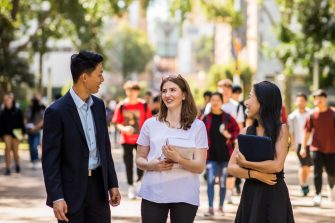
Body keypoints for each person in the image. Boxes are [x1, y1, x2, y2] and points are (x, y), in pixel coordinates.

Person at [42, 51, 121, 223]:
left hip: (98, 190)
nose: (102, 79)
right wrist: (56, 197)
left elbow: (104, 148)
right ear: (84, 77)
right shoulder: (56, 112)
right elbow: (50, 161)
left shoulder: (99, 106)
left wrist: (112, 184)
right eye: (99, 74)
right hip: (70, 193)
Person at [135, 74, 208, 223]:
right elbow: (139, 159)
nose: (167, 95)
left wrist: (178, 159)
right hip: (153, 193)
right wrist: (151, 165)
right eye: (164, 91)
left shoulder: (198, 126)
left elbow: (200, 166)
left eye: (173, 90)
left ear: (184, 95)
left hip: (185, 195)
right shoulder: (150, 124)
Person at [228, 81, 294, 223]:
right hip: (251, 193)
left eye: (250, 96)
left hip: (274, 193)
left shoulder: (282, 129)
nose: (246, 102)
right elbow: (231, 167)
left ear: (263, 101)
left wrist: (246, 163)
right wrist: (255, 174)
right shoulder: (246, 131)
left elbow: (276, 166)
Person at [112, 80, 152, 199]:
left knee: (141, 162)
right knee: (128, 163)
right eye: (129, 90)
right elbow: (116, 123)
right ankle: (130, 187)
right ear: (126, 91)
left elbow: (149, 123)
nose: (131, 93)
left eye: (134, 90)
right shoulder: (122, 106)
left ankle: (139, 184)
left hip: (141, 140)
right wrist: (124, 128)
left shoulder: (144, 105)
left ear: (138, 92)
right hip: (126, 140)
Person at [202, 92, 240, 216]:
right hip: (210, 156)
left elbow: (237, 131)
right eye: (213, 100)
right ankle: (211, 208)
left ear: (221, 102)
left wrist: (229, 136)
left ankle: (221, 207)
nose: (215, 102)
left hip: (225, 156)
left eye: (217, 100)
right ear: (210, 102)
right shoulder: (205, 118)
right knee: (210, 181)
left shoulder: (227, 117)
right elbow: (198, 134)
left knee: (223, 182)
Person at [301, 89, 335, 206]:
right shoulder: (311, 114)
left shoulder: (333, 113)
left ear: (325, 99)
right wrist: (303, 147)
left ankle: (331, 187)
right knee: (317, 172)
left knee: (332, 172)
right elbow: (307, 132)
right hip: (316, 148)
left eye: (321, 98)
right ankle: (318, 194)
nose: (318, 100)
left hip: (331, 149)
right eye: (316, 98)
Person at [288, 93, 312, 196]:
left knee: (308, 166)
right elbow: (291, 131)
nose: (300, 102)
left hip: (311, 143)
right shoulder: (292, 116)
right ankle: (303, 185)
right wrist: (293, 144)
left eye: (302, 100)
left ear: (306, 102)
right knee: (303, 165)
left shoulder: (311, 114)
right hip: (298, 143)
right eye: (298, 100)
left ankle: (304, 183)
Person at [0, 92, 25, 175]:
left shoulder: (17, 111)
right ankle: (8, 168)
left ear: (11, 100)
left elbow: (21, 123)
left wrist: (23, 133)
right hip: (6, 133)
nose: (6, 101)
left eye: (8, 99)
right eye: (5, 100)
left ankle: (17, 165)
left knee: (15, 151)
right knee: (7, 148)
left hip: (16, 132)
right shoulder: (3, 111)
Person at [25, 94, 45, 170]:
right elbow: (26, 118)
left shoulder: (40, 109)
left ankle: (35, 160)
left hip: (37, 131)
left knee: (34, 146)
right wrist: (27, 125)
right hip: (29, 131)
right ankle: (33, 160)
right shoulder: (28, 109)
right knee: (31, 147)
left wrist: (35, 128)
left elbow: (42, 121)